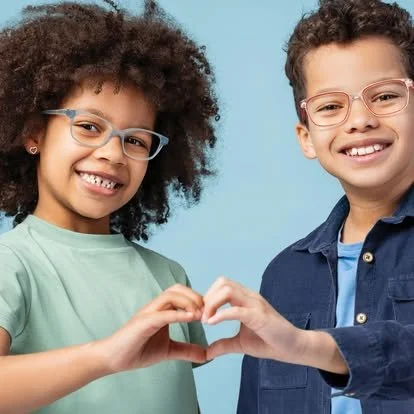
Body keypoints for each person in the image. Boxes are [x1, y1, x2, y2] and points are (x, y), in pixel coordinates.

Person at [0, 1, 219, 413]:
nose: (113, 154)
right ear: (33, 133)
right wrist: (106, 356)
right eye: (88, 126)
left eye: (136, 140)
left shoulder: (168, 277)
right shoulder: (11, 265)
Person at [202, 0, 414, 413]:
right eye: (331, 106)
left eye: (385, 96)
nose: (359, 120)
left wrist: (306, 345)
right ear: (305, 137)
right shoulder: (285, 276)